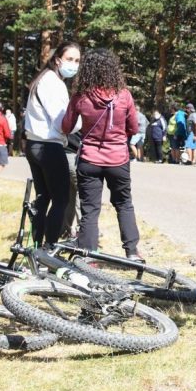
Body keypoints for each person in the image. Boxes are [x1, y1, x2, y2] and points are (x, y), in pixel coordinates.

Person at [61, 48, 141, 259]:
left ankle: (88, 255)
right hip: (118, 159)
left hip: (89, 159)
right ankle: (132, 252)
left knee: (90, 209)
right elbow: (133, 127)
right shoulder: (124, 95)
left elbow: (66, 127)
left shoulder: (80, 96)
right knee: (124, 203)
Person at [24, 41, 81, 247]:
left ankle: (37, 247)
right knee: (60, 199)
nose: (73, 64)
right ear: (58, 60)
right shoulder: (53, 83)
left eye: (77, 61)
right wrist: (81, 121)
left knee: (43, 198)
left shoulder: (45, 79)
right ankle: (49, 248)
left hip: (35, 145)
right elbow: (62, 123)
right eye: (69, 59)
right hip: (49, 146)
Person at [61, 131, 82, 239]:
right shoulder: (78, 115)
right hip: (74, 154)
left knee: (70, 193)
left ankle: (66, 228)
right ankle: (81, 229)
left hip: (63, 153)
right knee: (82, 191)